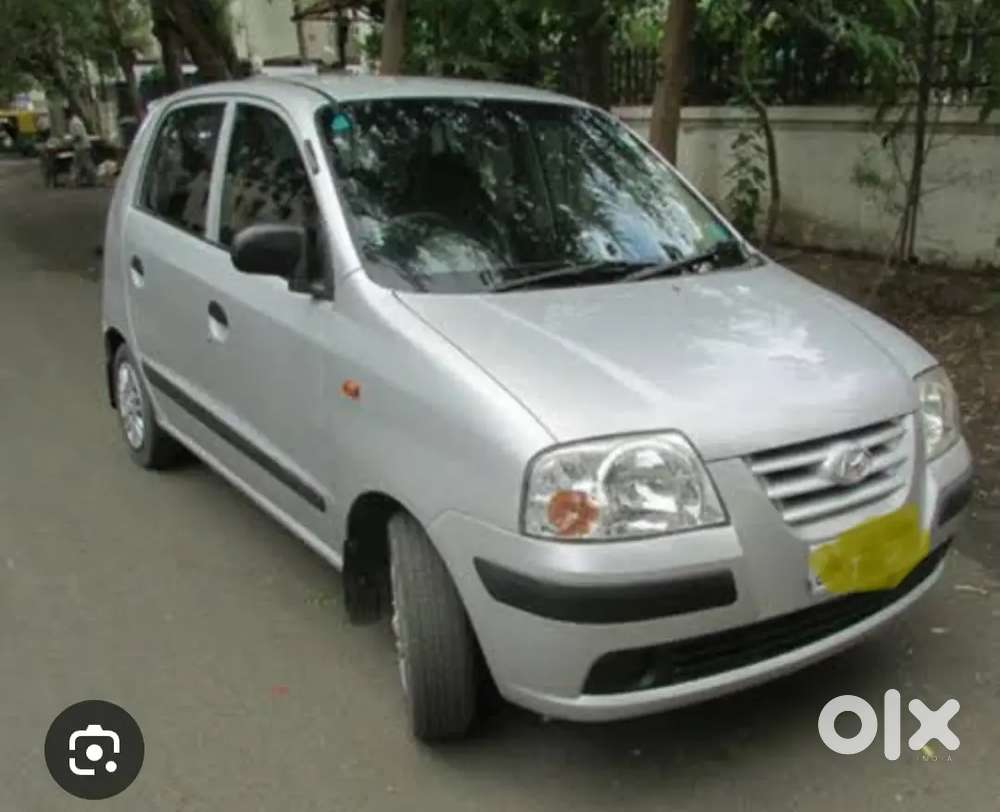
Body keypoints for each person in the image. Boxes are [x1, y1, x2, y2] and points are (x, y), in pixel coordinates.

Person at [67, 107, 96, 186]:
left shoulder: (74, 123)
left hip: (81, 146)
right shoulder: (76, 121)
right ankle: (89, 180)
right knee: (82, 164)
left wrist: (71, 141)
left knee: (81, 164)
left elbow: (78, 136)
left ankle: (75, 181)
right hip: (82, 145)